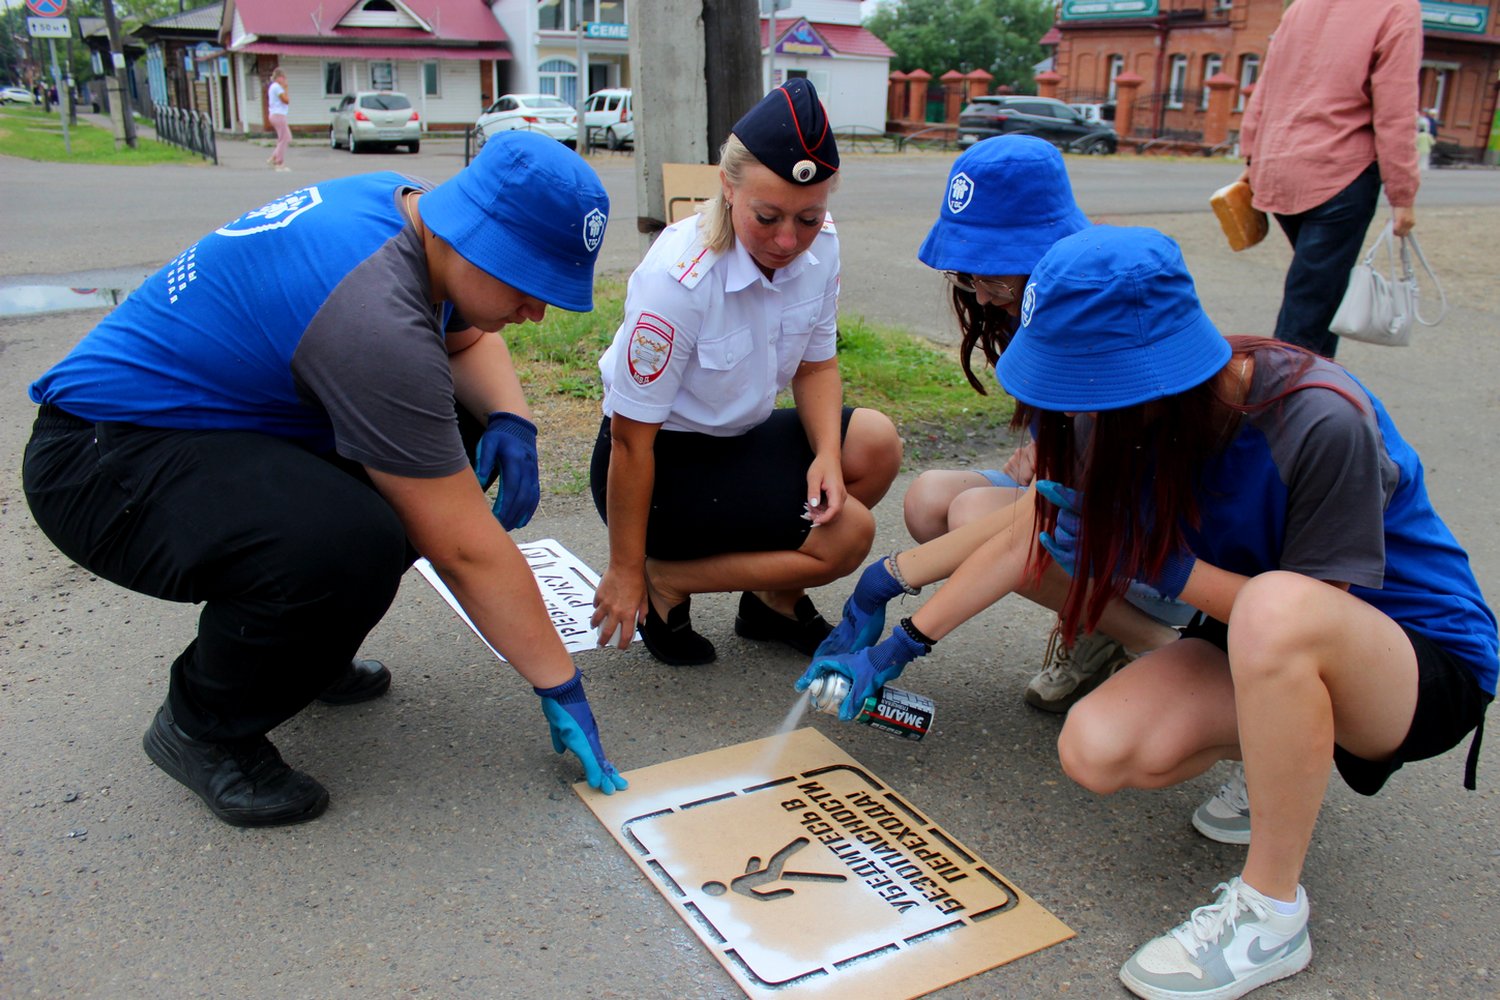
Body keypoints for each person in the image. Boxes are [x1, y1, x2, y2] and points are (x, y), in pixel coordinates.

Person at [810, 225, 1495, 1000]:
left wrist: (1161, 565)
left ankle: (1271, 911)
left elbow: (1311, 611)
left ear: (1153, 372)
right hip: (1257, 628)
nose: (1068, 407)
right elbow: (1027, 531)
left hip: (1410, 661)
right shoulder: (1114, 411)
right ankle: (1284, 763)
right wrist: (895, 621)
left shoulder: (1317, 418)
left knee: (1274, 609)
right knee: (1098, 748)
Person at [22, 132, 629, 828]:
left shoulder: (405, 212)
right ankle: (203, 724)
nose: (536, 313)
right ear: (475, 237)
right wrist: (561, 683)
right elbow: (461, 547)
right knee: (345, 543)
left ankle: (298, 656)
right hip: (100, 464)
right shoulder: (373, 315)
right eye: (527, 286)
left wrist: (513, 420)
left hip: (197, 428)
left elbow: (461, 336)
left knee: (456, 427)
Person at [853, 136, 1191, 713]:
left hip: (1153, 539)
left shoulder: (1107, 302)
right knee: (931, 499)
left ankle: (1160, 646)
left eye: (996, 280)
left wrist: (892, 598)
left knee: (982, 516)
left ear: (1046, 249)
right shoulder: (1021, 300)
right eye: (969, 277)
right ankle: (1096, 625)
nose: (981, 299)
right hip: (1085, 504)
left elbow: (1045, 513)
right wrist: (1048, 445)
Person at [588, 79, 902, 667]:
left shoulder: (821, 247)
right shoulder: (678, 280)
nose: (788, 240)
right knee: (849, 535)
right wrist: (624, 567)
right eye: (768, 217)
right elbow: (631, 442)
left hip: (738, 440)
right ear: (727, 188)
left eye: (809, 217)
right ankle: (667, 580)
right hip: (662, 468)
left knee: (875, 444)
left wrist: (827, 457)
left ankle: (772, 600)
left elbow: (817, 365)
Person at [1238, 0, 1422, 358]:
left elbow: (1266, 85)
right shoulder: (1397, 8)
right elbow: (1396, 109)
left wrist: (1252, 154)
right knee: (1308, 308)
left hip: (1279, 166)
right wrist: (1403, 195)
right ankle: (1280, 402)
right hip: (1339, 173)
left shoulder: (1301, 6)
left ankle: (1322, 390)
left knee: (1324, 293)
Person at [267, 68, 292, 172]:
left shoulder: (273, 87)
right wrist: (286, 88)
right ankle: (279, 163)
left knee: (287, 137)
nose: (284, 80)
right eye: (283, 78)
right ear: (279, 78)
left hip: (276, 114)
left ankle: (273, 158)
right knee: (284, 139)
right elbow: (286, 100)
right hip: (278, 115)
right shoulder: (277, 87)